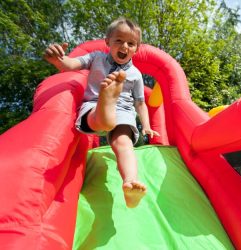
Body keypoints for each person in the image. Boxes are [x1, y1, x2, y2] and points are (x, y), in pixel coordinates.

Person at [44, 17, 159, 208]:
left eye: (131, 43)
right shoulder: (95, 57)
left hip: (122, 109)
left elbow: (140, 103)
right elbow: (70, 65)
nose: (124, 46)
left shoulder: (135, 74)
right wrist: (58, 59)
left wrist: (146, 126)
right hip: (94, 103)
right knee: (103, 122)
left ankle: (130, 181)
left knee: (122, 142)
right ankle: (106, 103)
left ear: (136, 49)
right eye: (119, 40)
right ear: (108, 42)